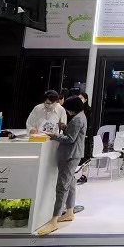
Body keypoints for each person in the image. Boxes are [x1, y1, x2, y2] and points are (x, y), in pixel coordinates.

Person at [36, 96, 87, 236]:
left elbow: (70, 139)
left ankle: (54, 221)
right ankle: (69, 212)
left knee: (62, 186)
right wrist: (64, 127)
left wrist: (53, 135)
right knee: (70, 183)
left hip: (70, 155)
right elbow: (73, 134)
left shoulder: (77, 119)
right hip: (73, 154)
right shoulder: (80, 117)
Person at [76, 93, 93, 187]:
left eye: (81, 98)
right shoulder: (77, 109)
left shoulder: (88, 110)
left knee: (85, 155)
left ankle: (84, 174)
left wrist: (85, 134)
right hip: (77, 135)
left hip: (85, 135)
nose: (79, 100)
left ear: (85, 99)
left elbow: (89, 123)